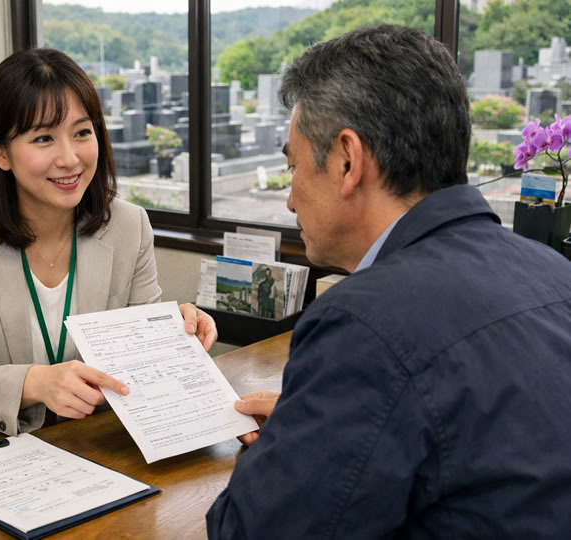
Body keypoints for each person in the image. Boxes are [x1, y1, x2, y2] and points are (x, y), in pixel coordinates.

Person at [207, 24, 571, 538]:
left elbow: (250, 531)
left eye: (293, 168)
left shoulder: (364, 321)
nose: (289, 200)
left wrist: (289, 442)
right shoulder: (555, 272)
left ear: (347, 160)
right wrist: (318, 420)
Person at [0, 48, 216, 450]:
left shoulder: (130, 226)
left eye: (82, 132)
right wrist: (35, 383)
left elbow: (135, 357)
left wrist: (170, 333)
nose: (70, 158)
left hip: (80, 447)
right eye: (44, 138)